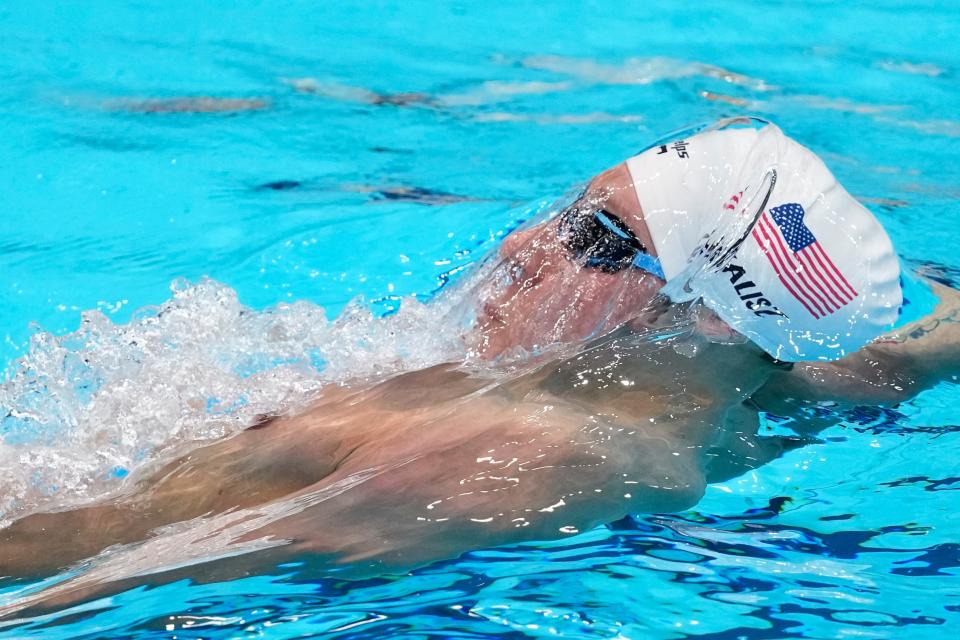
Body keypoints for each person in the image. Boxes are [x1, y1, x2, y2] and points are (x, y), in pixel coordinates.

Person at [2, 119, 957, 616]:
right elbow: (896, 362)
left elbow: (128, 574)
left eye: (593, 237)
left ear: (696, 317)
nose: (523, 242)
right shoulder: (755, 397)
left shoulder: (524, 454)